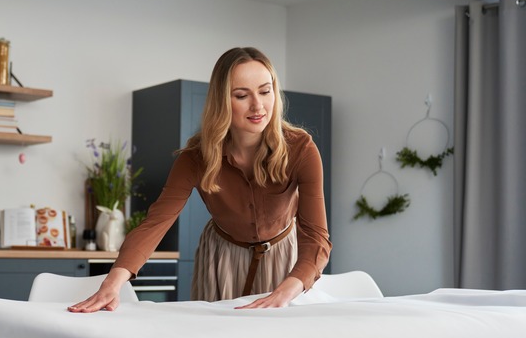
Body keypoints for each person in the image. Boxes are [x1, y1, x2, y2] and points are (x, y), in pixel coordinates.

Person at [69, 47, 331, 312]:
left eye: (265, 91)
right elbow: (156, 222)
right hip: (222, 258)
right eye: (242, 95)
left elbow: (316, 236)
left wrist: (289, 288)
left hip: (287, 258)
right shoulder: (196, 157)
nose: (258, 105)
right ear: (221, 101)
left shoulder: (301, 149)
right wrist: (113, 283)